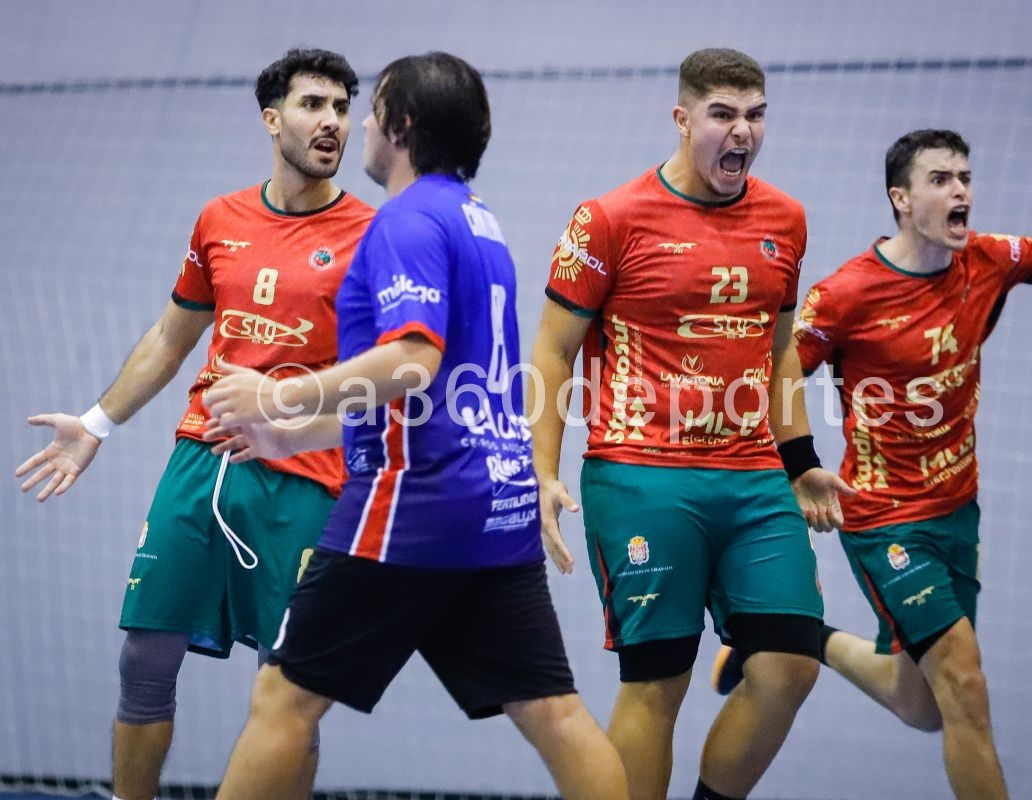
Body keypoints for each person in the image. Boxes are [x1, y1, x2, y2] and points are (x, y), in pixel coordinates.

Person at [712, 129, 1032, 799]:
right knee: (965, 686)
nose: (960, 190)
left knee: (923, 707)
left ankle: (804, 637)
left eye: (964, 177)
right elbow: (772, 375)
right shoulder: (848, 294)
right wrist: (787, 470)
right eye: (940, 180)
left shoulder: (988, 261)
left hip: (957, 512)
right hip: (885, 520)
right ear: (902, 199)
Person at [199, 51, 629, 800]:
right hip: (495, 505)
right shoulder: (478, 222)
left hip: (413, 508)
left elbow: (412, 363)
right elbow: (429, 403)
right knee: (554, 713)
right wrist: (292, 439)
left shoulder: (405, 220)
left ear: (400, 126)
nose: (358, 127)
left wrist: (277, 397)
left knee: (283, 699)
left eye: (370, 112)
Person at [13, 48, 373, 800]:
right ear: (271, 119)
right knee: (145, 656)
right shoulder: (220, 218)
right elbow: (171, 338)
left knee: (290, 688)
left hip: (306, 477)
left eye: (342, 108)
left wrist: (287, 409)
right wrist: (96, 423)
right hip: (200, 463)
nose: (332, 122)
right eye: (312, 104)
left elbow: (389, 377)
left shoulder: (374, 234)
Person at [527, 48, 852, 800]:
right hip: (642, 476)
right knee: (658, 681)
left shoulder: (785, 219)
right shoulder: (609, 219)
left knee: (790, 663)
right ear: (682, 118)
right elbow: (552, 351)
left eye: (756, 115)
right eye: (723, 115)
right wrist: (540, 472)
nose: (743, 132)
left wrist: (800, 458)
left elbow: (779, 351)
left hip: (751, 476)